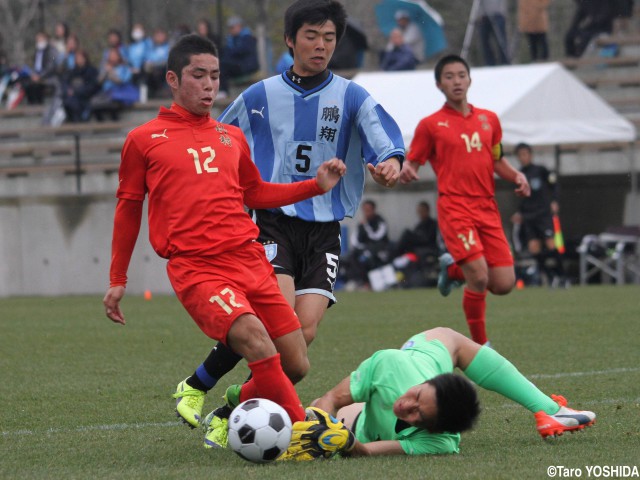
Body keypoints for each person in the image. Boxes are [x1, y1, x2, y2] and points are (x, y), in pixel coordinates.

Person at [174, 0, 404, 449]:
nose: (321, 46)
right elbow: (218, 138)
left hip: (325, 230)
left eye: (330, 38)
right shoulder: (259, 96)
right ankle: (199, 383)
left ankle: (231, 407)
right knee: (277, 329)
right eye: (312, 36)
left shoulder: (352, 96)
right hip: (273, 222)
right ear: (290, 40)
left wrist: (392, 164)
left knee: (305, 334)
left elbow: (386, 141)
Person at [102, 34, 346, 435]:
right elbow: (128, 208)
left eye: (214, 76)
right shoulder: (143, 140)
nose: (209, 85)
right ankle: (303, 431)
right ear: (173, 80)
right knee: (256, 342)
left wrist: (313, 187)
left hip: (249, 258)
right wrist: (117, 279)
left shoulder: (230, 136)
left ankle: (225, 415)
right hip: (198, 267)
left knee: (296, 364)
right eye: (198, 75)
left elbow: (256, 193)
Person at [399, 54, 530, 346]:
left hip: (487, 207)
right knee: (480, 278)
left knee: (504, 283)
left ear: (470, 80)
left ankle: (452, 269)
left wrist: (516, 176)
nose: (456, 81)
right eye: (449, 76)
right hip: (455, 207)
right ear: (439, 84)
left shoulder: (489, 119)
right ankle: (482, 347)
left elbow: (497, 160)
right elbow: (413, 162)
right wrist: (408, 169)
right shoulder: (430, 125)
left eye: (461, 75)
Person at [305, 326, 596, 457]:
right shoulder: (390, 364)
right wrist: (322, 421)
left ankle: (550, 410)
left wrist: (343, 441)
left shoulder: (441, 442)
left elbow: (366, 451)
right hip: (411, 366)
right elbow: (330, 399)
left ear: (432, 429)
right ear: (429, 381)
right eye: (417, 397)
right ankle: (548, 409)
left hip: (361, 427)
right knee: (448, 337)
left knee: (323, 428)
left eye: (417, 415)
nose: (405, 406)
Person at [510, 143, 567, 287]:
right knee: (533, 248)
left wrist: (554, 201)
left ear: (530, 155)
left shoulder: (540, 170)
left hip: (543, 214)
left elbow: (554, 185)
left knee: (551, 244)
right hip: (528, 216)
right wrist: (519, 212)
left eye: (525, 154)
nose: (523, 157)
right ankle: (550, 276)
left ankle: (563, 276)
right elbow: (522, 197)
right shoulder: (519, 174)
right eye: (520, 155)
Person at [343, 200, 391, 290]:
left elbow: (376, 237)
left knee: (368, 257)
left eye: (368, 210)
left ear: (373, 210)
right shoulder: (361, 224)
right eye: (365, 210)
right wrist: (360, 248)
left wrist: (366, 226)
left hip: (379, 248)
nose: (366, 212)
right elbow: (355, 239)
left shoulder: (380, 222)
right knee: (352, 257)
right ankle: (358, 281)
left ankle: (370, 283)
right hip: (365, 249)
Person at [91, 47, 137, 121]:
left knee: (113, 104)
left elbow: (121, 82)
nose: (112, 57)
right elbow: (98, 82)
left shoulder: (124, 68)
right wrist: (104, 72)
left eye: (114, 55)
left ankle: (115, 121)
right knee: (94, 103)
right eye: (110, 55)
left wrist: (111, 73)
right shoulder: (104, 67)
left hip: (120, 93)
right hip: (106, 93)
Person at [218, 15, 259, 98]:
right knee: (220, 65)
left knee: (223, 66)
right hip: (238, 65)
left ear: (239, 26)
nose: (231, 30)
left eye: (233, 27)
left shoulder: (247, 37)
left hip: (247, 66)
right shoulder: (231, 39)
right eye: (230, 28)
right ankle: (220, 90)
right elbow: (228, 53)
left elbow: (240, 52)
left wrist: (230, 53)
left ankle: (224, 91)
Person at [60, 49, 99, 122]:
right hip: (71, 98)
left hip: (85, 98)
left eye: (81, 58)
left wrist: (75, 91)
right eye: (77, 58)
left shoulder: (92, 71)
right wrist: (68, 90)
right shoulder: (72, 71)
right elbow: (65, 83)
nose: (79, 60)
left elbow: (92, 86)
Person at [21, 31, 58, 105]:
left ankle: (39, 106)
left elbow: (51, 66)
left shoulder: (52, 50)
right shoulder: (36, 51)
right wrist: (32, 74)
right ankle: (31, 105)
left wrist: (40, 76)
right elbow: (32, 65)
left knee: (37, 86)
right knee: (25, 84)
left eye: (40, 39)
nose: (38, 41)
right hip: (35, 76)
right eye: (37, 39)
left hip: (47, 77)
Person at [474, 0, 511, 66]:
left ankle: (504, 62)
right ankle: (490, 63)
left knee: (501, 40)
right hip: (483, 16)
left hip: (497, 13)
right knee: (484, 41)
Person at [143, 28, 171, 99]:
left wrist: (156, 64)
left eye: (161, 35)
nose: (159, 37)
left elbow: (168, 59)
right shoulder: (150, 48)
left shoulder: (168, 47)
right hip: (151, 69)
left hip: (164, 68)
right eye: (157, 35)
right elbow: (147, 59)